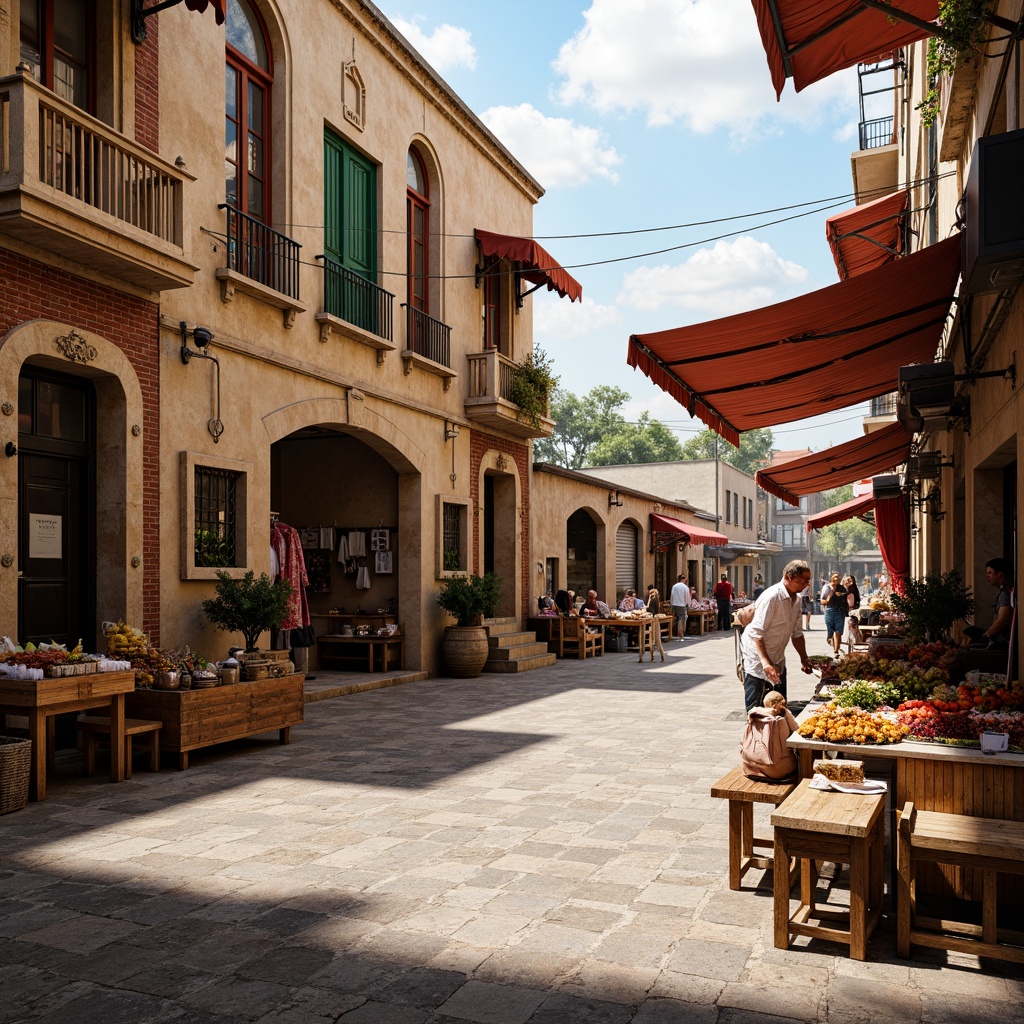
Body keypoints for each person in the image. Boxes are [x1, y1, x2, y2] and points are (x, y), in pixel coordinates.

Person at [739, 559, 814, 713]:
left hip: (777, 657)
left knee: (779, 707)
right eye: (803, 580)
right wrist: (766, 662)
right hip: (757, 657)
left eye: (808, 580)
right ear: (788, 577)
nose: (806, 584)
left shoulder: (797, 599)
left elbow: (797, 633)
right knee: (757, 710)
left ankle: (777, 735)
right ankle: (755, 736)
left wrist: (804, 658)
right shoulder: (772, 597)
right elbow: (756, 632)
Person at [964, 557, 1014, 647]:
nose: (987, 576)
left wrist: (986, 635)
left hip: (1003, 643)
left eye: (990, 573)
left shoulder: (1005, 594)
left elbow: (1002, 619)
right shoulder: (1003, 592)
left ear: (1000, 575)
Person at [821, 572, 849, 656]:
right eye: (835, 578)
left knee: (838, 632)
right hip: (830, 610)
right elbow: (822, 601)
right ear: (831, 578)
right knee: (831, 631)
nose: (837, 579)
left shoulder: (842, 588)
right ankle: (831, 641)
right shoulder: (826, 587)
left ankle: (836, 651)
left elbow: (846, 597)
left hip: (840, 611)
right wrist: (829, 597)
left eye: (838, 578)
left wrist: (842, 594)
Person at [646, 587, 666, 662]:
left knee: (654, 639)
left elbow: (649, 609)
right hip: (655, 620)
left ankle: (658, 655)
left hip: (653, 620)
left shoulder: (652, 600)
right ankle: (660, 655)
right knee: (657, 639)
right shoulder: (657, 600)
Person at [670, 574, 691, 639]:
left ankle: (671, 634)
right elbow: (687, 598)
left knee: (674, 619)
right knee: (681, 619)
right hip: (682, 605)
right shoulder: (685, 587)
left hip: (674, 604)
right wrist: (689, 604)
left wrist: (671, 604)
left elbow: (672, 596)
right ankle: (680, 634)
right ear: (684, 579)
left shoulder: (674, 586)